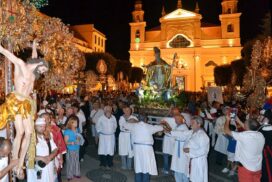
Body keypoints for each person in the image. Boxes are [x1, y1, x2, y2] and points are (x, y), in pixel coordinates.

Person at [0, 41, 49, 175]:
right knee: (20, 132)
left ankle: (20, 164)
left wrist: (34, 45)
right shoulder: (22, 65)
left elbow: (34, 57)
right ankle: (15, 158)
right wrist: (2, 49)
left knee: (29, 133)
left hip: (26, 102)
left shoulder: (33, 74)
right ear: (40, 64)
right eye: (43, 69)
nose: (42, 72)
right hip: (16, 101)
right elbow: (11, 56)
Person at [224, 115, 265, 182]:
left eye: (245, 122)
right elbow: (250, 129)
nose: (244, 123)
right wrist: (238, 120)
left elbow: (226, 130)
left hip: (246, 169)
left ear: (246, 126)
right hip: (257, 168)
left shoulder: (244, 136)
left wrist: (227, 120)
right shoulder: (260, 135)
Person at [123, 116, 164, 182]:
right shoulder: (149, 126)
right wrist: (162, 123)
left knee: (138, 167)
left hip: (137, 149)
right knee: (146, 167)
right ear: (146, 120)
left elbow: (124, 124)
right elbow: (161, 127)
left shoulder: (134, 126)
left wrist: (132, 120)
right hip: (147, 150)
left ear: (138, 119)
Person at [27, 118, 58, 182]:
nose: (42, 128)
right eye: (40, 126)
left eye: (44, 126)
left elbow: (55, 149)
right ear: (35, 127)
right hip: (36, 167)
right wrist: (41, 158)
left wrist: (50, 157)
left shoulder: (47, 137)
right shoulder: (30, 138)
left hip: (48, 166)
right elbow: (26, 156)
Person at [166, 115, 189, 182]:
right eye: (175, 119)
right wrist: (167, 131)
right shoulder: (178, 126)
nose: (175, 121)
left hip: (181, 150)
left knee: (182, 168)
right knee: (177, 168)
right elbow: (173, 134)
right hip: (177, 150)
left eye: (177, 119)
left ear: (182, 119)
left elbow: (180, 134)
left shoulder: (184, 127)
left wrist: (170, 132)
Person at [64, 116, 81, 181]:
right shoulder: (67, 131)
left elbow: (78, 137)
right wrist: (71, 143)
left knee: (76, 161)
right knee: (70, 162)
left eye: (77, 122)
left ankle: (76, 173)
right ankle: (69, 175)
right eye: (75, 122)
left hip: (77, 147)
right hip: (70, 148)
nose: (77, 123)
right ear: (71, 123)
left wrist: (78, 138)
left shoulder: (77, 129)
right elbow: (65, 142)